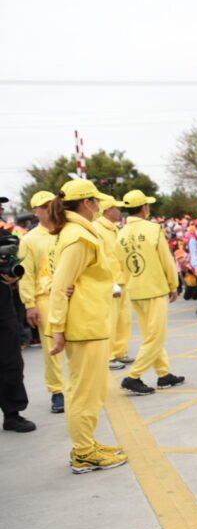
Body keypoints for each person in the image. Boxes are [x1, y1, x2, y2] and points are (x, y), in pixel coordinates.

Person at [47, 180, 125, 471]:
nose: (101, 207)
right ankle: (83, 452)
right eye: (97, 201)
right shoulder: (80, 237)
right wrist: (57, 327)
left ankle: (88, 443)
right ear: (87, 203)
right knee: (85, 393)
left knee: (91, 391)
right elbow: (60, 285)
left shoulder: (74, 233)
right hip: (85, 325)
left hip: (89, 321)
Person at [117, 190, 184, 394]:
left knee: (150, 334)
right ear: (144, 208)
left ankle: (163, 374)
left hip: (134, 290)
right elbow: (166, 260)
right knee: (156, 337)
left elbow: (119, 265)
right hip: (154, 288)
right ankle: (133, 376)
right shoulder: (153, 229)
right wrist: (173, 284)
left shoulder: (120, 234)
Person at [17, 191, 66, 413]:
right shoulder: (29, 240)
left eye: (51, 205)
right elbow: (26, 274)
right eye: (43, 207)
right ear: (36, 211)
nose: (48, 210)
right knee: (52, 347)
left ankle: (79, 387)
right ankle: (57, 391)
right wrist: (30, 304)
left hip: (71, 294)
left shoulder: (66, 231)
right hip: (45, 298)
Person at [1, 197, 36, 434]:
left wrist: (14, 278)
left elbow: (14, 270)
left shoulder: (5, 236)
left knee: (11, 360)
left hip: (3, 307)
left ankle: (12, 414)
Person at [95, 194, 134, 371]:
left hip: (122, 278)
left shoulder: (113, 228)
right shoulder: (97, 229)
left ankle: (120, 352)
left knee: (123, 320)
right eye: (117, 208)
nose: (119, 211)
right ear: (108, 210)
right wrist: (110, 282)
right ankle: (109, 356)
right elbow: (101, 259)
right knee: (110, 320)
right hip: (111, 282)